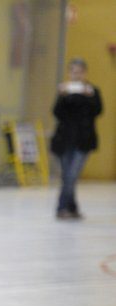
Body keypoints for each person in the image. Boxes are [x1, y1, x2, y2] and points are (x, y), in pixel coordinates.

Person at [50, 58, 103, 220]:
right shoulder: (65, 90)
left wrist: (89, 97)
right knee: (67, 175)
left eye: (79, 71)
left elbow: (98, 111)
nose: (76, 74)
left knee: (72, 175)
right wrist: (62, 96)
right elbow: (57, 113)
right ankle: (71, 208)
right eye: (73, 71)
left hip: (83, 140)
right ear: (69, 72)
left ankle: (62, 207)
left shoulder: (92, 91)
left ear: (84, 72)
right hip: (65, 139)